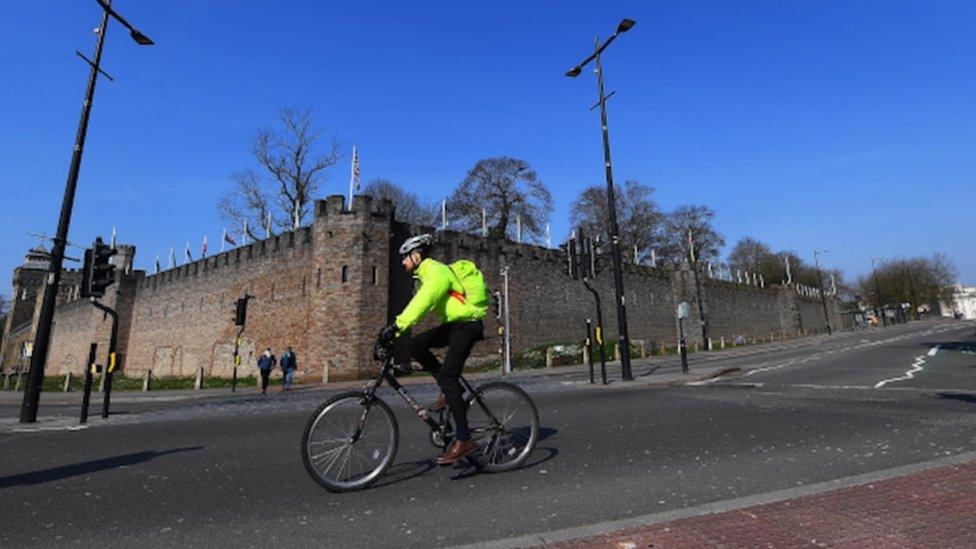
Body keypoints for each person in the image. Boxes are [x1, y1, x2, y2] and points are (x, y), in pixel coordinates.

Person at [378, 234, 488, 465]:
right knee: (415, 345)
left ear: (417, 256)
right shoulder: (425, 274)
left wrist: (396, 325)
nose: (402, 263)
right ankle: (450, 388)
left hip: (467, 325)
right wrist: (395, 334)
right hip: (456, 324)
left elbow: (424, 301)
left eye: (405, 258)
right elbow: (420, 306)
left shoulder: (434, 270)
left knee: (448, 376)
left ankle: (464, 439)